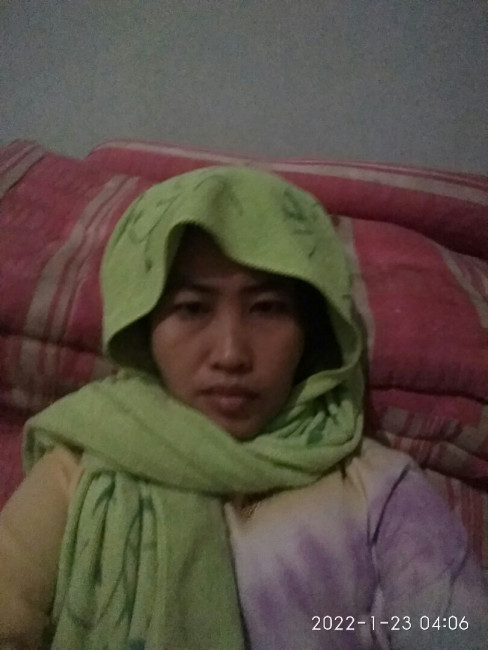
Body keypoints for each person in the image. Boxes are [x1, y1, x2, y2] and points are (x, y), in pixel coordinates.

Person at [0, 166, 486, 650]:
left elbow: (454, 630)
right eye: (191, 308)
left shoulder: (379, 488)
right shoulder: (78, 470)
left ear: (313, 328)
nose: (231, 354)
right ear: (143, 326)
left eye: (267, 308)